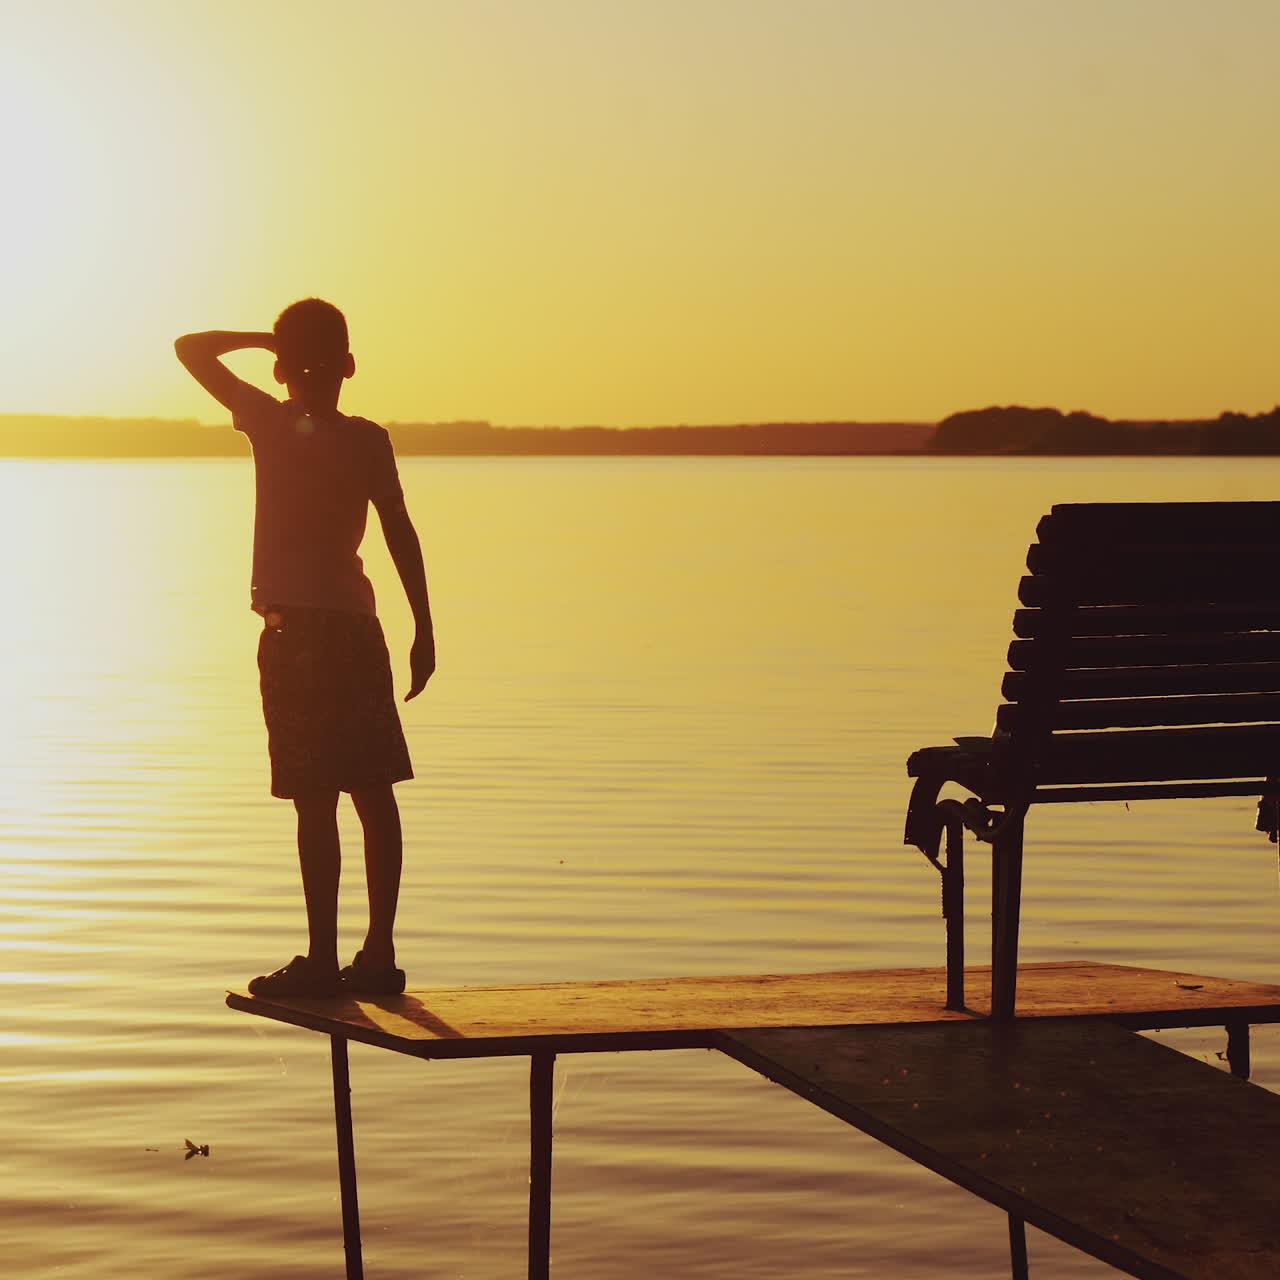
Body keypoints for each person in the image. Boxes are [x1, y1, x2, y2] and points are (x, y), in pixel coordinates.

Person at [174, 299, 434, 997]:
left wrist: (271, 341)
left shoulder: (269, 417)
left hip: (296, 635)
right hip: (354, 627)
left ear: (284, 369)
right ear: (350, 367)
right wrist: (424, 628)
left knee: (316, 797)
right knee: (372, 791)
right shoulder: (369, 439)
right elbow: (400, 531)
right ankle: (376, 954)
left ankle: (326, 959)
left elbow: (190, 348)